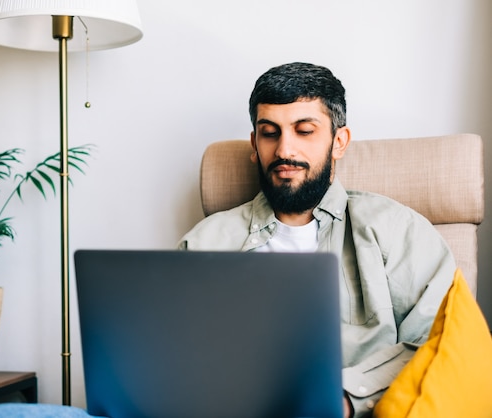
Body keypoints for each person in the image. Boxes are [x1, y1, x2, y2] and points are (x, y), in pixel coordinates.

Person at [178, 62, 456, 417]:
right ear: (254, 144)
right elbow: (178, 355)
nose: (284, 150)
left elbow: (439, 342)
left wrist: (342, 399)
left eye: (304, 131)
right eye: (269, 133)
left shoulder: (395, 230)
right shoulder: (204, 243)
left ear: (339, 142)